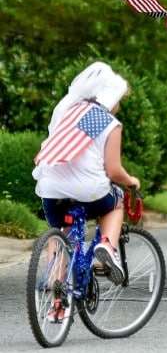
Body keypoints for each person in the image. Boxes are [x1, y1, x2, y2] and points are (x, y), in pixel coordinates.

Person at [33, 62, 141, 296]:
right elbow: (113, 171)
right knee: (116, 204)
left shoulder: (65, 112)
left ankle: (55, 285)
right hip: (88, 191)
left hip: (50, 190)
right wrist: (130, 180)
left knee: (61, 229)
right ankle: (106, 248)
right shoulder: (107, 122)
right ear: (109, 97)